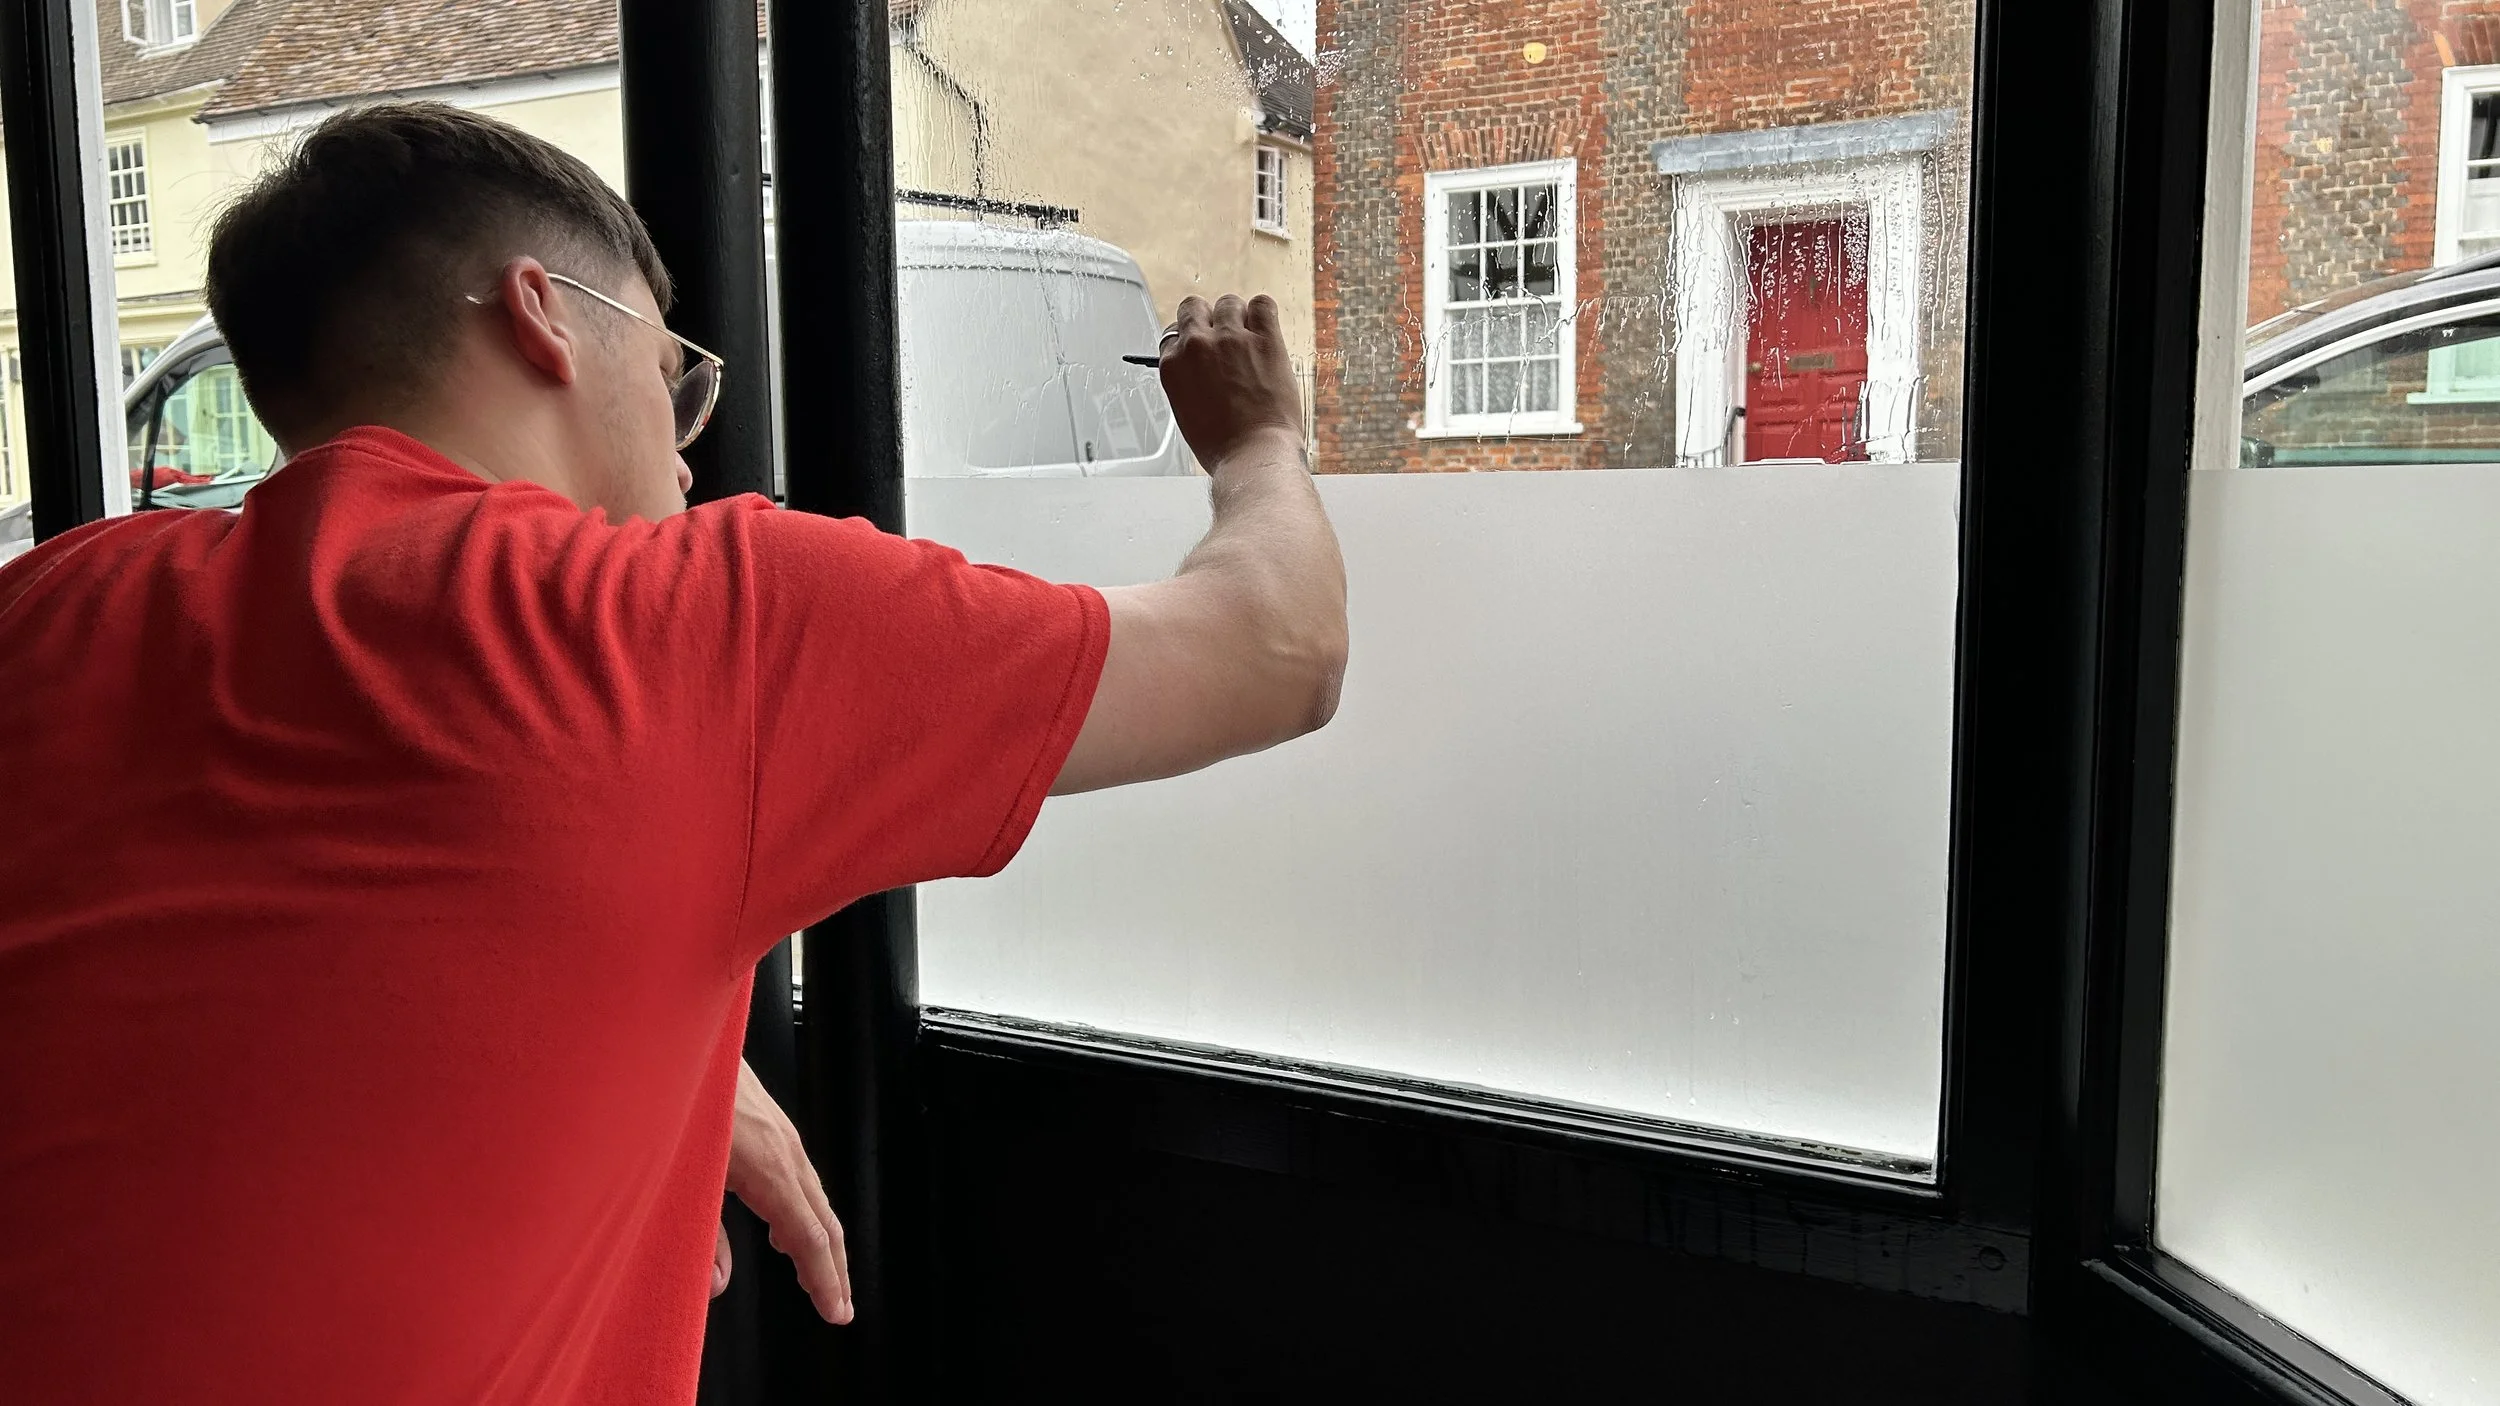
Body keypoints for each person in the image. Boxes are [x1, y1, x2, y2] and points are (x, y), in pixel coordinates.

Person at [0, 102, 1344, 1402]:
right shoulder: (684, 626)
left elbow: (256, 947)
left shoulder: (51, 606)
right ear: (542, 316)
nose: (690, 450)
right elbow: (1277, 646)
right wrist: (1258, 437)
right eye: (673, 373)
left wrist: (669, 1054)